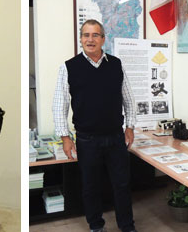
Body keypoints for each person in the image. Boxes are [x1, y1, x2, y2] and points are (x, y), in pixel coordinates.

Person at [53, 19, 137, 232]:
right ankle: (96, 226)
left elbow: (128, 98)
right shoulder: (69, 67)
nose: (90, 39)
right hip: (86, 139)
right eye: (86, 35)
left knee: (122, 185)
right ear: (80, 39)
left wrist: (130, 126)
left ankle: (127, 226)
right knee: (90, 186)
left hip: (115, 137)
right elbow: (59, 105)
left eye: (95, 35)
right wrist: (65, 137)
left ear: (103, 39)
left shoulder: (116, 64)